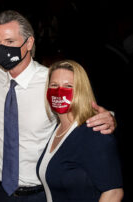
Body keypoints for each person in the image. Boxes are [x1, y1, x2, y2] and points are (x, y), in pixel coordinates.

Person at [0, 10, 116, 202]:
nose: (2, 49)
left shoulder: (50, 82)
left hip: (39, 193)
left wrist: (110, 117)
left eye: (10, 42)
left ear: (29, 43)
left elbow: (84, 112)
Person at [37, 60, 123, 202]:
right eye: (54, 85)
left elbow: (113, 193)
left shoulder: (95, 132)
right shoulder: (56, 129)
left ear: (81, 91)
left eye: (68, 86)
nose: (59, 91)